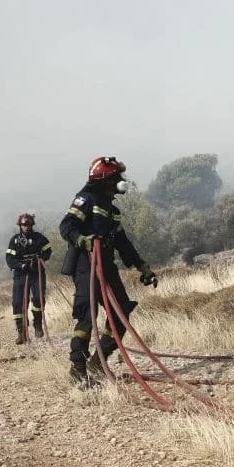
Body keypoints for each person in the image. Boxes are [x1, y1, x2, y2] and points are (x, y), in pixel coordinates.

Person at [59, 156, 157, 387]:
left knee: (121, 311)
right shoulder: (86, 199)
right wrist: (82, 240)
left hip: (107, 265)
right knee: (87, 316)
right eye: (116, 178)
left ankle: (97, 362)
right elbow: (66, 226)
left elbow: (124, 243)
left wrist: (142, 266)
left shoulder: (112, 211)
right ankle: (78, 369)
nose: (120, 181)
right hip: (87, 264)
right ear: (105, 180)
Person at [5, 213, 53, 343]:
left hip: (36, 273)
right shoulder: (14, 240)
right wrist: (21, 265)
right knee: (18, 304)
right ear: (20, 226)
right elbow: (9, 259)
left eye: (28, 225)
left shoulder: (39, 238)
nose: (26, 227)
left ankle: (37, 324)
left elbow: (48, 251)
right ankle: (22, 332)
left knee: (38, 298)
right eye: (24, 225)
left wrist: (40, 259)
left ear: (32, 225)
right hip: (20, 274)